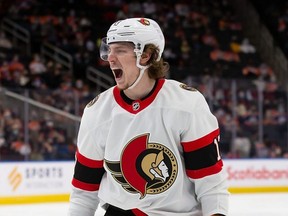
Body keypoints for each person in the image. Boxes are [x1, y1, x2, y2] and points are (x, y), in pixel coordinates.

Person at [68, 17, 229, 216]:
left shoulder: (186, 104)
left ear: (146, 56)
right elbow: (84, 192)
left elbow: (210, 182)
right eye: (109, 50)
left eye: (120, 50)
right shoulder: (97, 112)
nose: (110, 58)